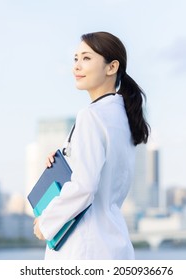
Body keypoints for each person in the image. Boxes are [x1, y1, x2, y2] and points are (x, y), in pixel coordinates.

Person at [33, 31, 150, 259]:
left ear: (111, 67)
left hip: (84, 247)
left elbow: (84, 186)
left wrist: (46, 223)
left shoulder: (91, 116)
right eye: (75, 59)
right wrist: (66, 158)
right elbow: (106, 176)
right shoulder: (123, 116)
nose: (77, 66)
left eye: (86, 58)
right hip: (115, 244)